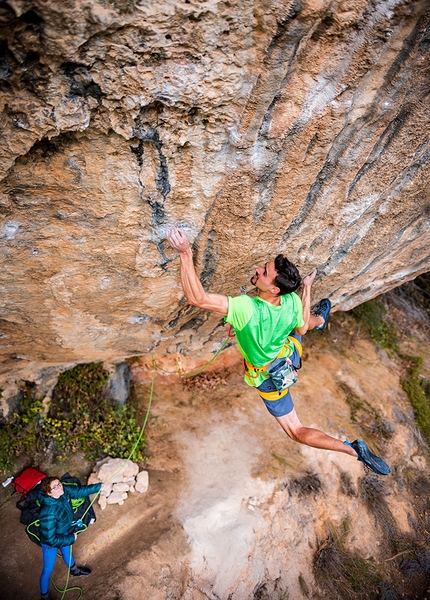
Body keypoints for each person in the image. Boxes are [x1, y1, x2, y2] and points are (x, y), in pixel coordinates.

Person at [166, 226, 390, 475]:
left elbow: (197, 298)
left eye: (263, 272)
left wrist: (185, 252)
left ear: (274, 289)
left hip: (268, 377)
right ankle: (352, 449)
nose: (257, 270)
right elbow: (301, 328)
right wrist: (306, 289)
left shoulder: (246, 308)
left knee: (295, 430)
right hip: (287, 355)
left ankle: (351, 450)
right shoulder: (291, 299)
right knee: (303, 325)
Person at [38, 476, 103, 600]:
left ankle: (74, 571)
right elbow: (50, 539)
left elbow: (79, 491)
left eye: (59, 484)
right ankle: (44, 596)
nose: (59, 487)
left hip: (63, 531)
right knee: (48, 568)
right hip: (49, 542)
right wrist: (71, 538)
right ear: (49, 492)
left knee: (67, 552)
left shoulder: (64, 492)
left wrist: (98, 487)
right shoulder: (48, 512)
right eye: (55, 487)